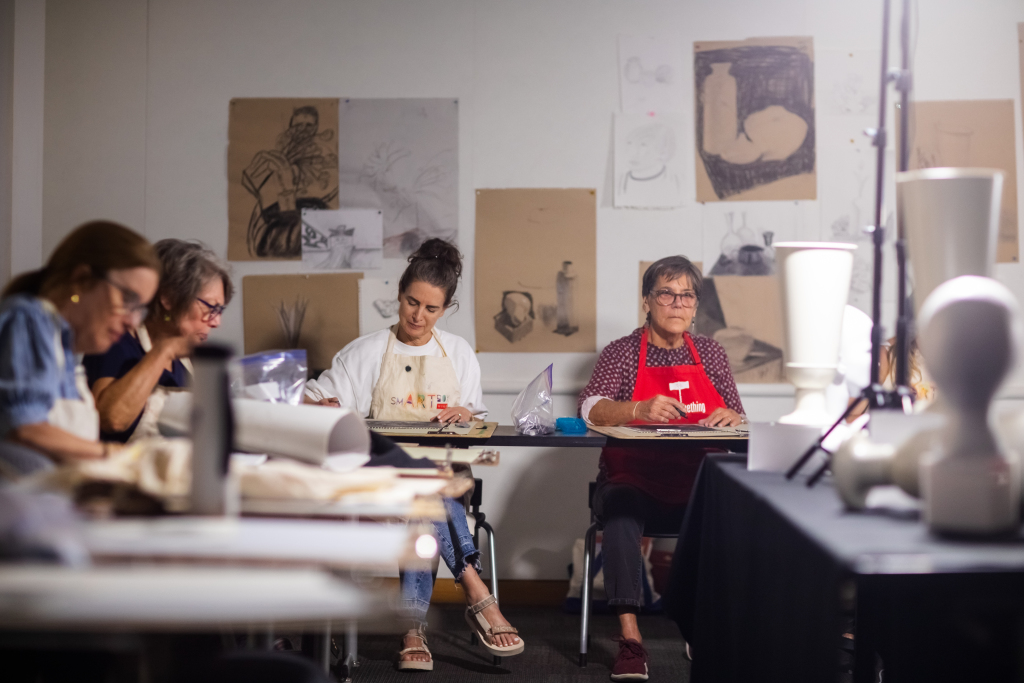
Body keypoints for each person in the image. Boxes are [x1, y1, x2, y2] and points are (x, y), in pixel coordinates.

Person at [305, 238, 524, 671]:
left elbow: (476, 416)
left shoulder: (458, 353)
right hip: (377, 485)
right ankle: (474, 590)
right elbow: (312, 398)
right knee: (423, 494)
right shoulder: (363, 352)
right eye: (411, 302)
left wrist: (466, 413)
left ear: (446, 309)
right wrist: (320, 405)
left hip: (443, 480)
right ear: (400, 294)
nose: (418, 316)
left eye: (431, 308)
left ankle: (412, 629)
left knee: (426, 495)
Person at [577, 255, 745, 681]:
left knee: (736, 508)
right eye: (666, 293)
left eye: (686, 295)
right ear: (647, 301)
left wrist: (731, 416)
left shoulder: (710, 353)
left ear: (695, 305)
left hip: (696, 482)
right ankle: (630, 639)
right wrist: (637, 408)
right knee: (621, 511)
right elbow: (589, 407)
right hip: (631, 478)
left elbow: (737, 414)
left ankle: (703, 627)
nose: (677, 303)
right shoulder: (622, 352)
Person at [0, 221, 160, 476]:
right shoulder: (29, 319)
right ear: (82, 280)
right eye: (127, 300)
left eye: (140, 309)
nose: (132, 321)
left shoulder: (66, 349)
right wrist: (120, 455)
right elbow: (24, 429)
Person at [84, 239, 233, 443]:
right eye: (210, 307)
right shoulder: (115, 341)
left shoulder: (187, 361)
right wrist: (164, 351)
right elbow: (111, 420)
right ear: (169, 298)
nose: (216, 322)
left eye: (220, 310)